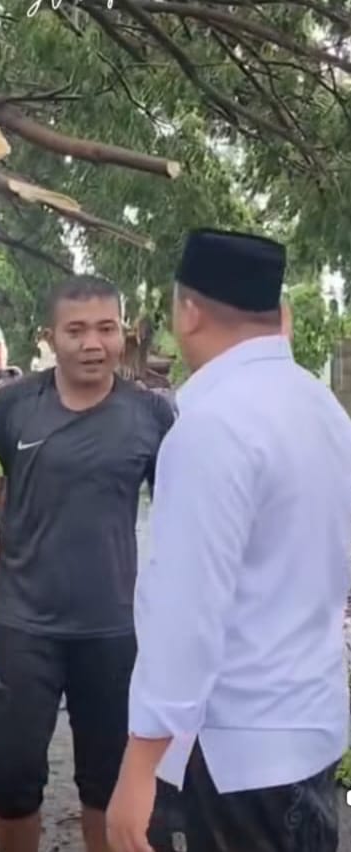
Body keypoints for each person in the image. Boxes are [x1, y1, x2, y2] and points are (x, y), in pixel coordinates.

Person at [107, 229, 351, 852]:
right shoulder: (325, 411)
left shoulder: (211, 427)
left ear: (187, 312)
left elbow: (186, 616)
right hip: (308, 730)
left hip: (233, 760)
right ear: (281, 316)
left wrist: (138, 768)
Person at [0, 275, 174, 852]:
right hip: (23, 629)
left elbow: (186, 526)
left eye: (105, 328)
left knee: (106, 781)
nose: (92, 343)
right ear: (49, 338)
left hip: (115, 632)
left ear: (123, 334)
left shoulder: (153, 416)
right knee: (8, 780)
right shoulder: (11, 407)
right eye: (76, 330)